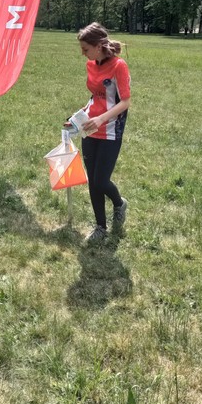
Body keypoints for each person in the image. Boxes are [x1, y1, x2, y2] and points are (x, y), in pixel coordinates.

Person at [76, 22, 131, 243]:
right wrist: (78, 116)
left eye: (86, 49)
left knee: (101, 180)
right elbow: (95, 96)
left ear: (99, 46)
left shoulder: (119, 66)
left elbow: (125, 101)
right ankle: (101, 226)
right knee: (92, 181)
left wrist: (101, 118)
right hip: (90, 129)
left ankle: (119, 204)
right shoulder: (91, 64)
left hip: (110, 130)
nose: (83, 54)